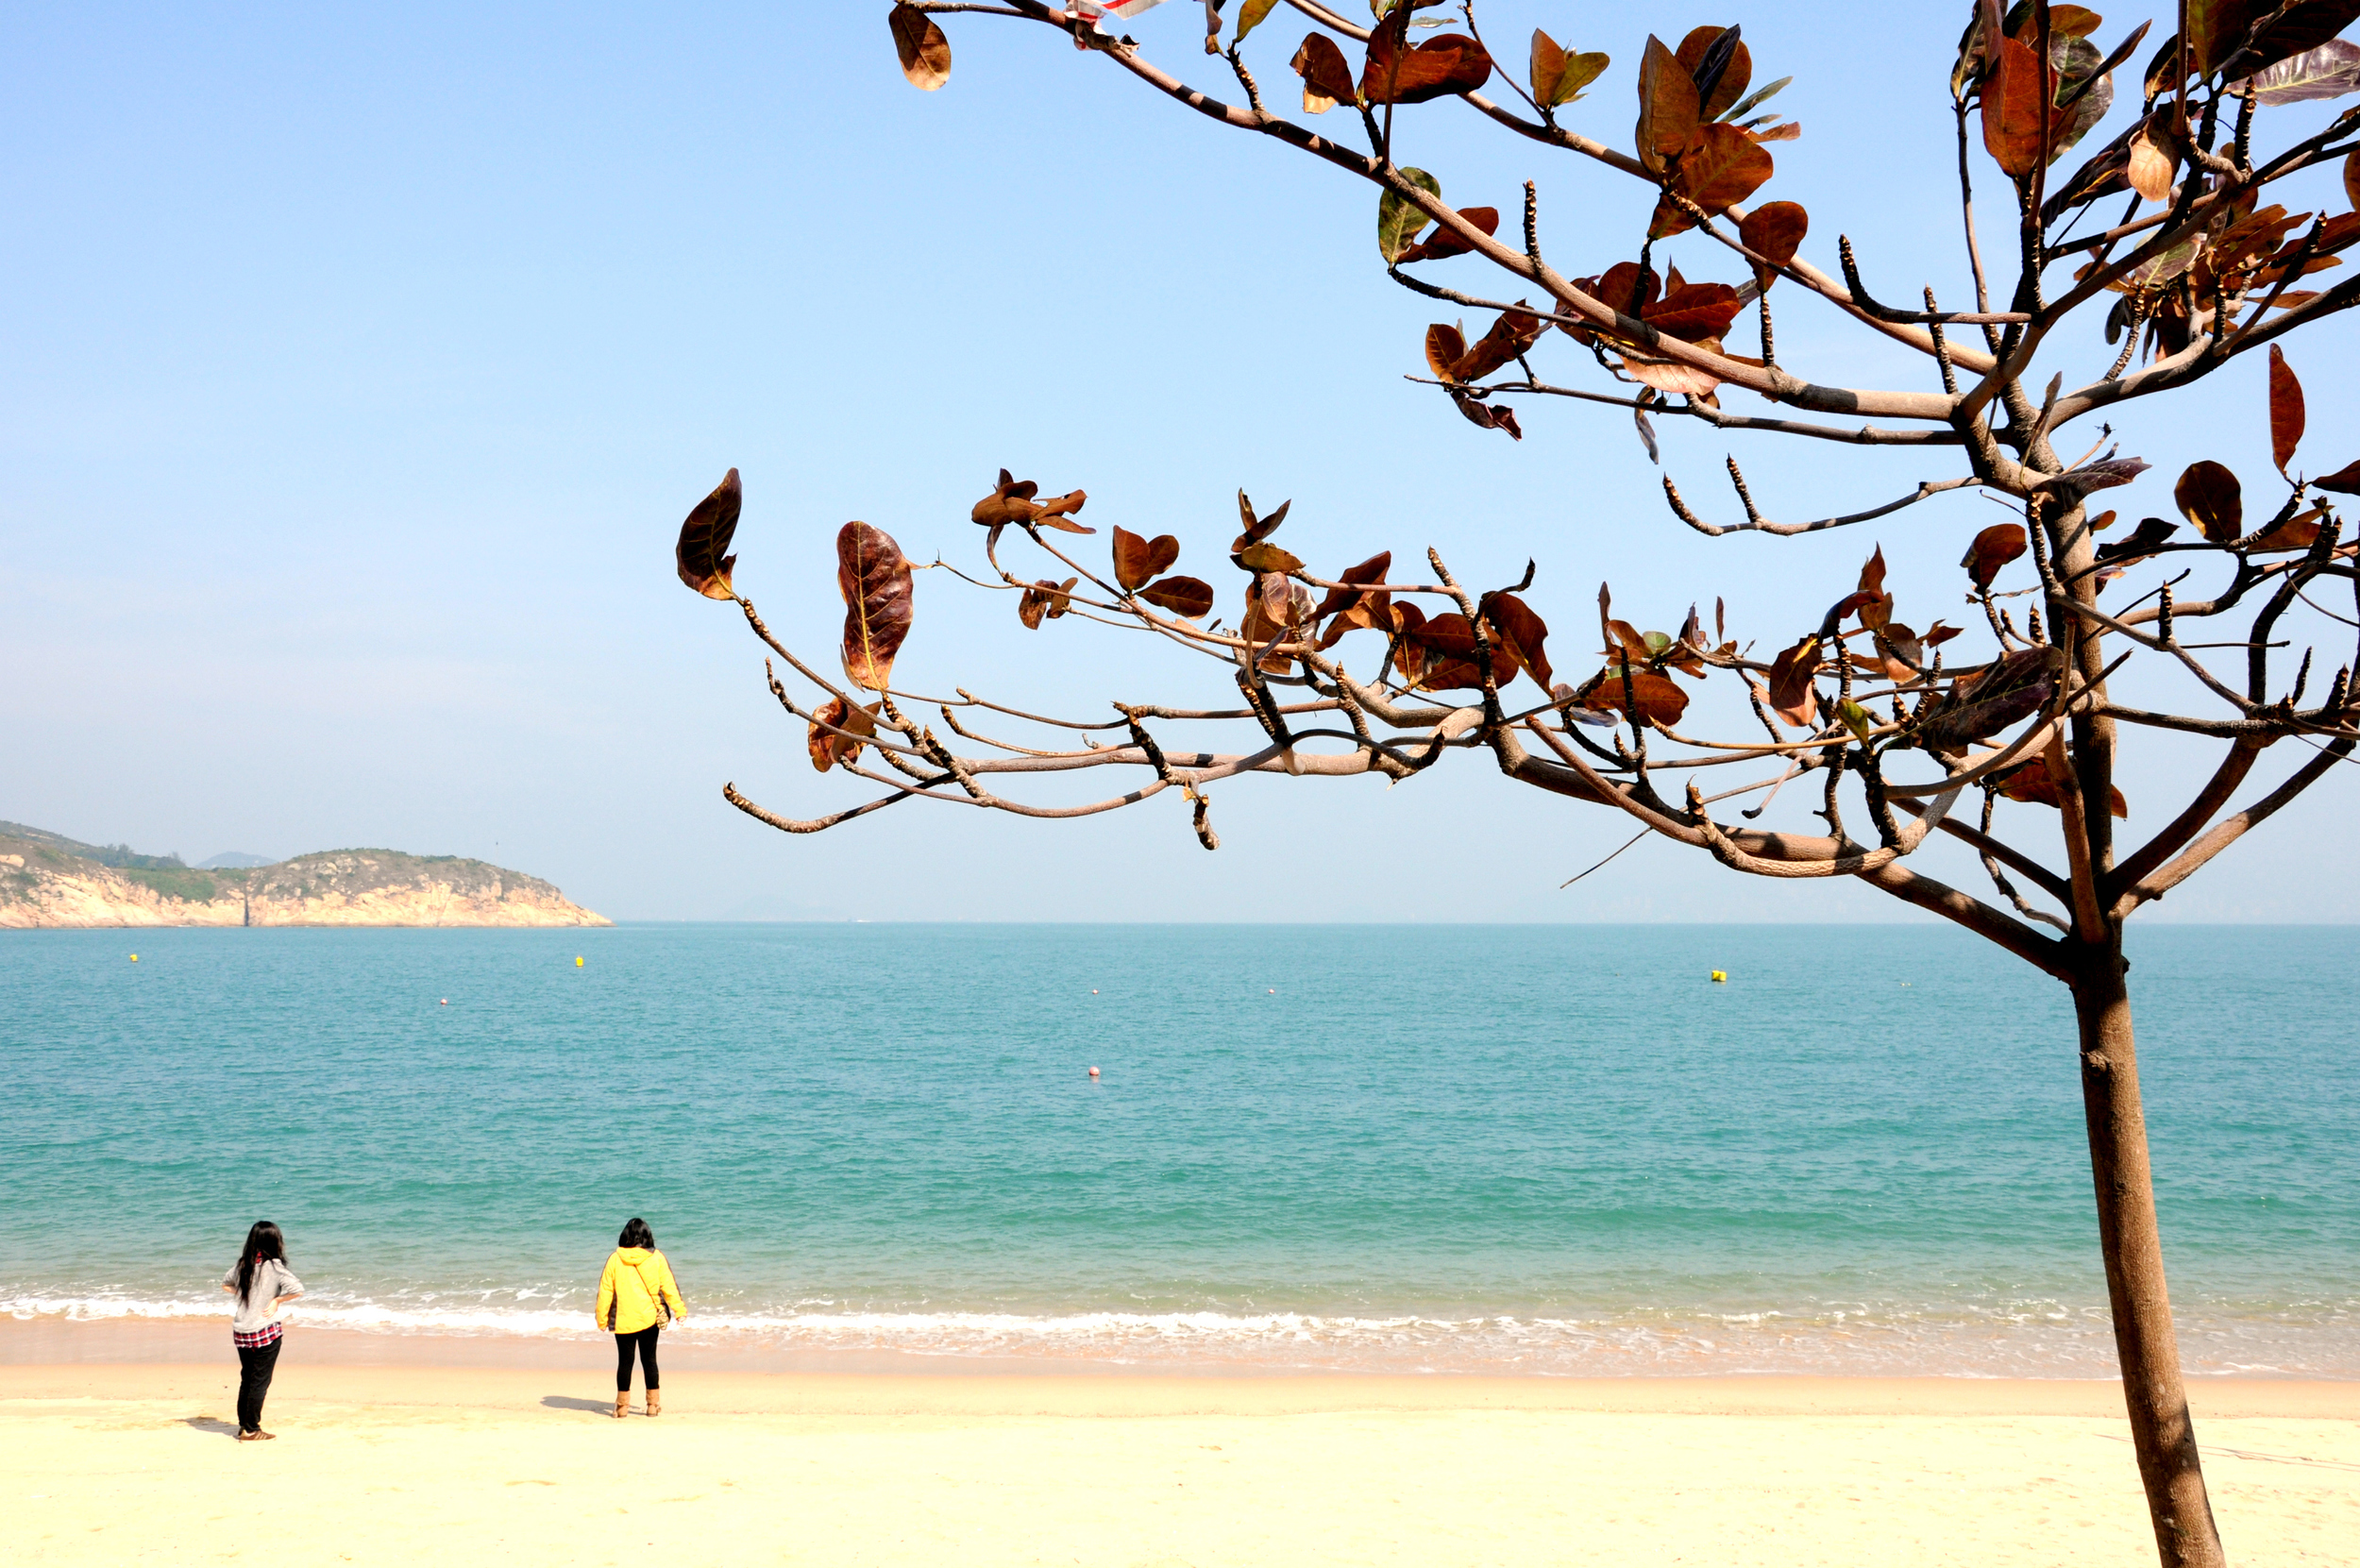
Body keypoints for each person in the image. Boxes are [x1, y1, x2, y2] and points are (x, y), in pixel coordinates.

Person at [219, 1221, 304, 1442]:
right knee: (259, 1381)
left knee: (247, 1378)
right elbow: (298, 1289)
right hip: (266, 1331)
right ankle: (251, 1428)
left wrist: (245, 1295)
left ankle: (243, 1425)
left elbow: (225, 1284)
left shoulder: (243, 1265)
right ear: (275, 1241)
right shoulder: (275, 1266)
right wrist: (276, 1300)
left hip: (242, 1331)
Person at [594, 1217, 684, 1418]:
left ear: (625, 1236)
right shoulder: (657, 1257)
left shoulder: (615, 1259)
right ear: (647, 1236)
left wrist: (601, 1318)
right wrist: (679, 1310)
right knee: (649, 1361)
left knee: (625, 1362)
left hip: (624, 1320)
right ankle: (652, 1405)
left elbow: (605, 1291)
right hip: (650, 1318)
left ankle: (622, 1407)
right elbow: (668, 1285)